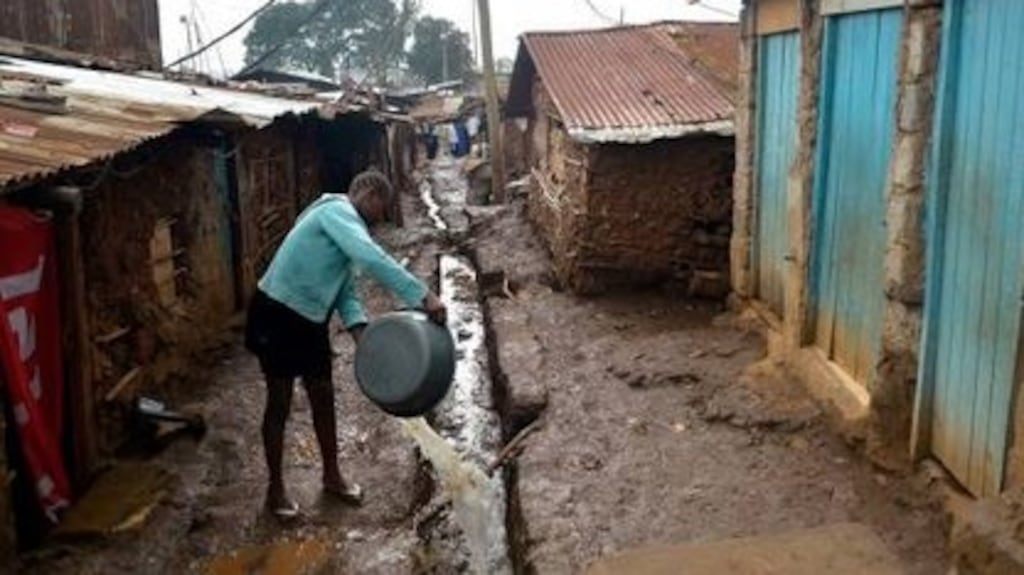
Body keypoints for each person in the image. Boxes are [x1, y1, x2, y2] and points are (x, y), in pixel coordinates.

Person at [244, 177, 447, 519]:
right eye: (381, 208)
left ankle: (332, 476)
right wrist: (423, 295)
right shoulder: (336, 211)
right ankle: (275, 489)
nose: (381, 217)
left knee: (323, 395)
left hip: (310, 320)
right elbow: (370, 258)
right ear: (368, 194)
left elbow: (345, 290)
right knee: (279, 401)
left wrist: (361, 337)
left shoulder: (347, 228)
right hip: (277, 311)